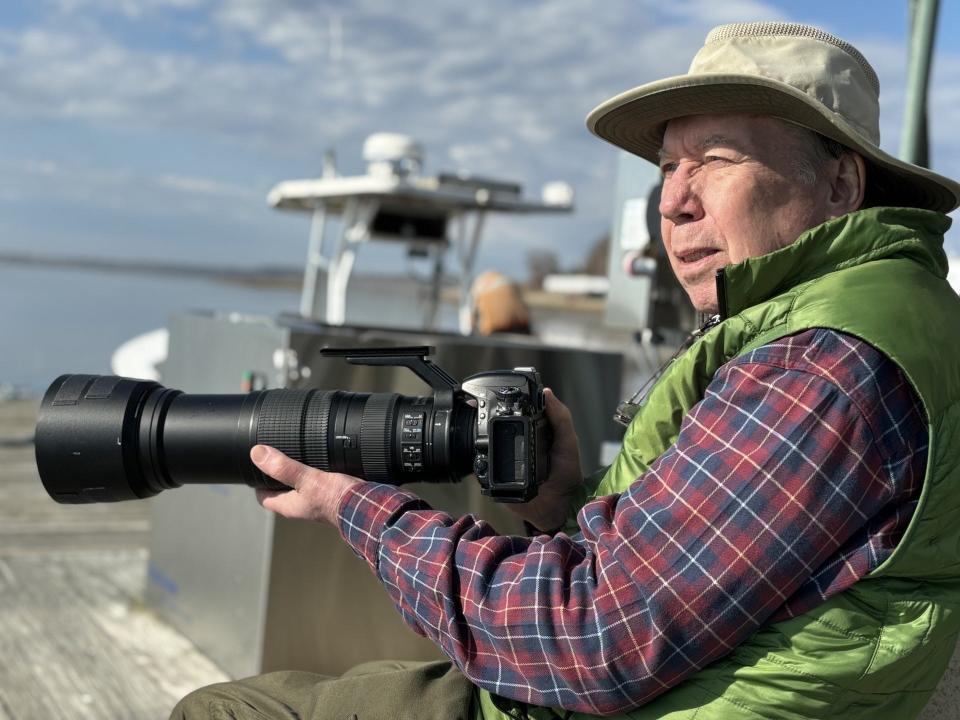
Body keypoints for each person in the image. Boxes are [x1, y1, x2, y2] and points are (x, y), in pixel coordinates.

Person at [172, 21, 960, 720]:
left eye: (714, 160)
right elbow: (698, 581)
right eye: (668, 166)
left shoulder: (820, 366)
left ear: (840, 184)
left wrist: (359, 510)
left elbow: (594, 636)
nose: (674, 201)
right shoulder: (846, 321)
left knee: (228, 711)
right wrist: (565, 505)